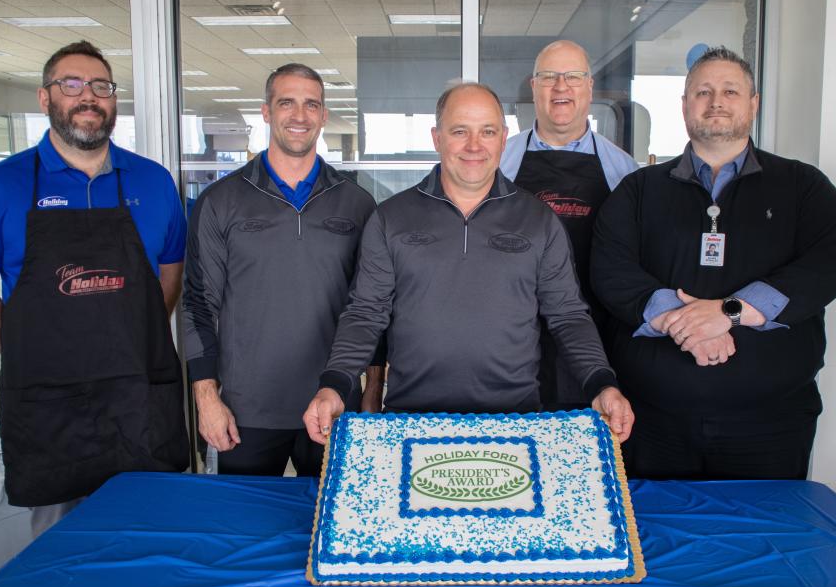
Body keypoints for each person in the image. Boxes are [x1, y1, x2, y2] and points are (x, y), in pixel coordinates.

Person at [0, 40, 189, 535]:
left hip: (138, 398)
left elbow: (169, 280)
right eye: (71, 85)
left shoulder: (153, 182)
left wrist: (127, 342)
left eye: (101, 86)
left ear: (113, 100)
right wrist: (27, 352)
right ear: (45, 98)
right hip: (50, 406)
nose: (88, 97)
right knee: (61, 553)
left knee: (151, 537)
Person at [304, 82, 634, 445]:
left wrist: (603, 383)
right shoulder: (391, 218)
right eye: (460, 131)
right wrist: (334, 384)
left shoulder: (539, 221)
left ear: (503, 138)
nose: (475, 146)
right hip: (412, 421)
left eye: (487, 132)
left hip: (515, 423)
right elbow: (366, 314)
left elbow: (569, 315)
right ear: (437, 138)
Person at [591, 46, 836, 480]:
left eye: (730, 91)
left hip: (772, 427)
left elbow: (820, 269)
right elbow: (610, 269)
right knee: (653, 542)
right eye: (702, 91)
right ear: (684, 106)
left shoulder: (804, 187)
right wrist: (684, 319)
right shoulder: (638, 190)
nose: (716, 102)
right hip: (651, 422)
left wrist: (727, 313)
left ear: (753, 104)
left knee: (769, 541)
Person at [183, 63, 384, 477]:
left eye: (311, 104)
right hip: (246, 409)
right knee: (245, 533)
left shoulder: (357, 204)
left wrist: (373, 393)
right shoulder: (221, 200)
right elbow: (198, 304)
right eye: (287, 102)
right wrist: (206, 398)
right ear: (266, 111)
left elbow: (373, 307)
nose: (300, 115)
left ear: (324, 115)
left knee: (333, 530)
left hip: (333, 402)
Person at [500, 40, 639, 411]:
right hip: (512, 339)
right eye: (549, 77)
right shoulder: (499, 162)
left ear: (589, 87)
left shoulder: (624, 172)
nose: (561, 87)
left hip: (594, 340)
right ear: (534, 87)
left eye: (573, 76)